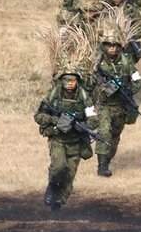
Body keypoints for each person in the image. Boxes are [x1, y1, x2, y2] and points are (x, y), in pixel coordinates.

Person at [34, 26, 98, 211]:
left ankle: (58, 203)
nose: (71, 83)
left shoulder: (84, 96)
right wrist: (56, 121)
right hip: (58, 139)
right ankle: (51, 188)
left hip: (76, 141)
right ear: (61, 81)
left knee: (69, 175)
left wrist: (82, 126)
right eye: (67, 80)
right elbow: (39, 116)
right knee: (58, 167)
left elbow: (93, 118)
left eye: (74, 80)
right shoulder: (54, 95)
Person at [93, 26, 141, 177]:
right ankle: (102, 166)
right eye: (109, 45)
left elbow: (137, 79)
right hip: (103, 105)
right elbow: (89, 81)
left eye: (115, 46)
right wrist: (103, 87)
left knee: (115, 135)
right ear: (104, 46)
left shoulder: (127, 61)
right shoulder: (97, 61)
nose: (112, 49)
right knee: (104, 132)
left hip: (120, 105)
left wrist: (129, 90)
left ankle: (107, 160)